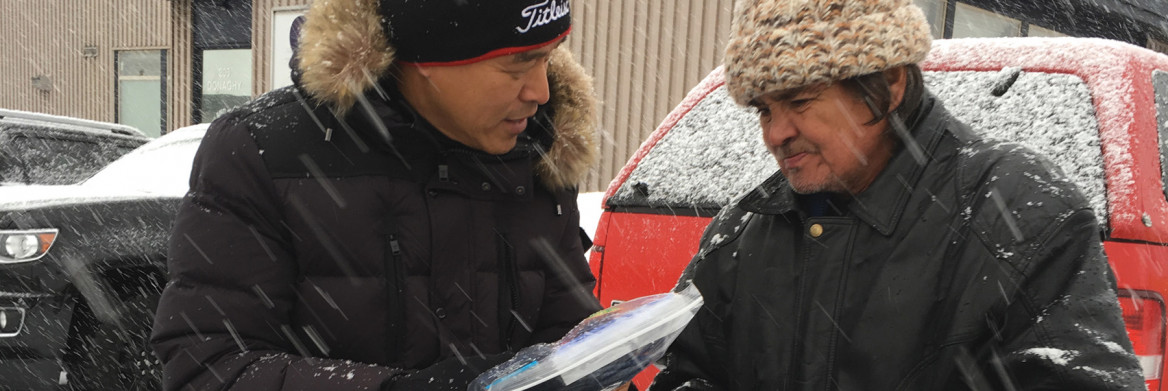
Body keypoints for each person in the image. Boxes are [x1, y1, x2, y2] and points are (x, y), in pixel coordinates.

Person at [647, 0, 1145, 390]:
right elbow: (692, 375)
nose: (775, 134)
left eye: (798, 101)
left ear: (888, 84)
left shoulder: (1019, 213)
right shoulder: (745, 232)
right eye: (763, 110)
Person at [150, 0, 602, 389]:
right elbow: (209, 369)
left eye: (548, 59)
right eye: (517, 66)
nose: (540, 92)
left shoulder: (540, 153)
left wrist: (627, 358)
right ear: (429, 56)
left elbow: (571, 342)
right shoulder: (264, 153)